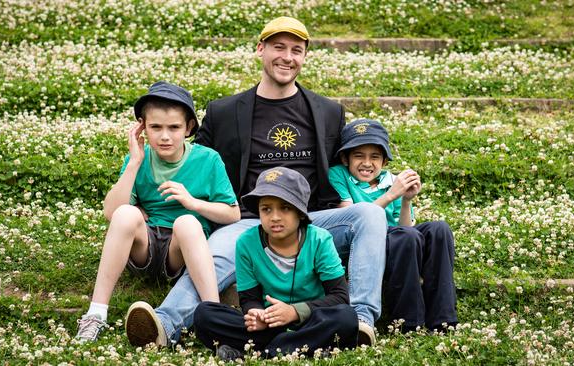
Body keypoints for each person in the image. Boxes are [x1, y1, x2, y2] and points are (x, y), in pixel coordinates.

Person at [125, 17, 386, 347]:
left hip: (311, 220)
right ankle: (163, 324)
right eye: (278, 47)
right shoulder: (224, 111)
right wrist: (141, 200)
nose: (287, 57)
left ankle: (361, 320)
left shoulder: (328, 111)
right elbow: (187, 160)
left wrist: (392, 197)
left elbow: (346, 167)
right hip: (248, 221)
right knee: (213, 256)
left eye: (296, 50)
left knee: (370, 215)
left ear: (305, 56)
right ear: (261, 50)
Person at [74, 81, 240, 343]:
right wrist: (135, 162)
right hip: (145, 249)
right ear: (142, 128)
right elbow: (111, 212)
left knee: (187, 222)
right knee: (126, 214)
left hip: (181, 251)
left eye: (174, 127)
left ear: (188, 128)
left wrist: (193, 202)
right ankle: (96, 314)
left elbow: (232, 214)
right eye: (155, 127)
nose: (165, 136)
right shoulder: (138, 159)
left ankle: (213, 317)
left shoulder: (208, 160)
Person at [194, 167, 358, 361]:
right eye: (266, 209)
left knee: (346, 317)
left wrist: (294, 312)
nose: (275, 217)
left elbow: (339, 296)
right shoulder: (246, 242)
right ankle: (293, 348)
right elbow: (249, 298)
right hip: (269, 325)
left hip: (310, 320)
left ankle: (260, 352)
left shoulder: (319, 240)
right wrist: (257, 315)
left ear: (300, 212)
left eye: (285, 208)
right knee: (205, 314)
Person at [328, 119, 458, 333]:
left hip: (399, 240)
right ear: (345, 158)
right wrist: (391, 195)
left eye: (375, 157)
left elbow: (406, 226)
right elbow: (351, 217)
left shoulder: (392, 181)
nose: (367, 163)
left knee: (439, 229)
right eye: (358, 156)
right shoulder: (339, 175)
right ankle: (407, 322)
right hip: (367, 244)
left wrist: (406, 200)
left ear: (385, 162)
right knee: (405, 237)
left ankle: (443, 320)